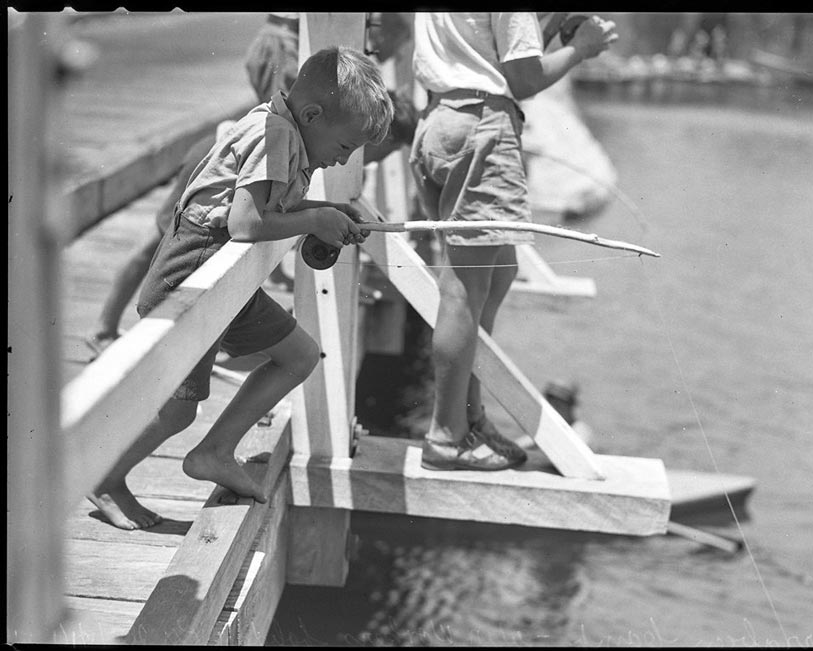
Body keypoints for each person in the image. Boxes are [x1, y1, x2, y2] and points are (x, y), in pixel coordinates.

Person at [87, 46, 394, 530]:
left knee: (297, 356)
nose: (343, 161)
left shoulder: (288, 130)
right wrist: (314, 217)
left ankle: (214, 450)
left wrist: (327, 211)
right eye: (344, 147)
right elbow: (247, 223)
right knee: (178, 409)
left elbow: (267, 204)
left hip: (224, 280)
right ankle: (108, 476)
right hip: (192, 278)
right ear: (312, 115)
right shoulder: (274, 136)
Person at [409, 13, 618, 471]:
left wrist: (551, 25)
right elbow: (522, 79)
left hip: (440, 119)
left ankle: (468, 415)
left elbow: (490, 56)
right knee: (465, 289)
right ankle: (446, 435)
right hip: (483, 126)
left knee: (495, 275)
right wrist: (581, 48)